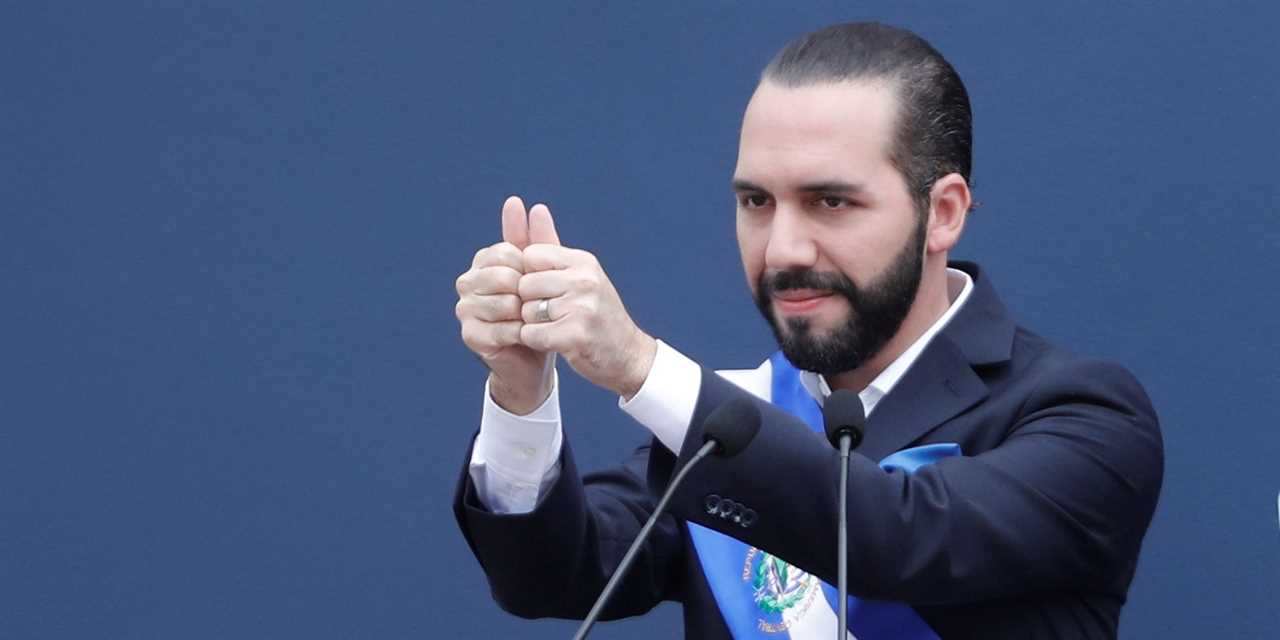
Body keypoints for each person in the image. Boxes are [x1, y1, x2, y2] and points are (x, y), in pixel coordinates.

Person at [451, 22, 1162, 639]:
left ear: (942, 213)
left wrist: (639, 366)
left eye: (830, 201)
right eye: (756, 201)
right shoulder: (730, 428)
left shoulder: (1086, 415)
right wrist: (521, 391)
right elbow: (550, 578)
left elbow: (905, 537)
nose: (784, 248)